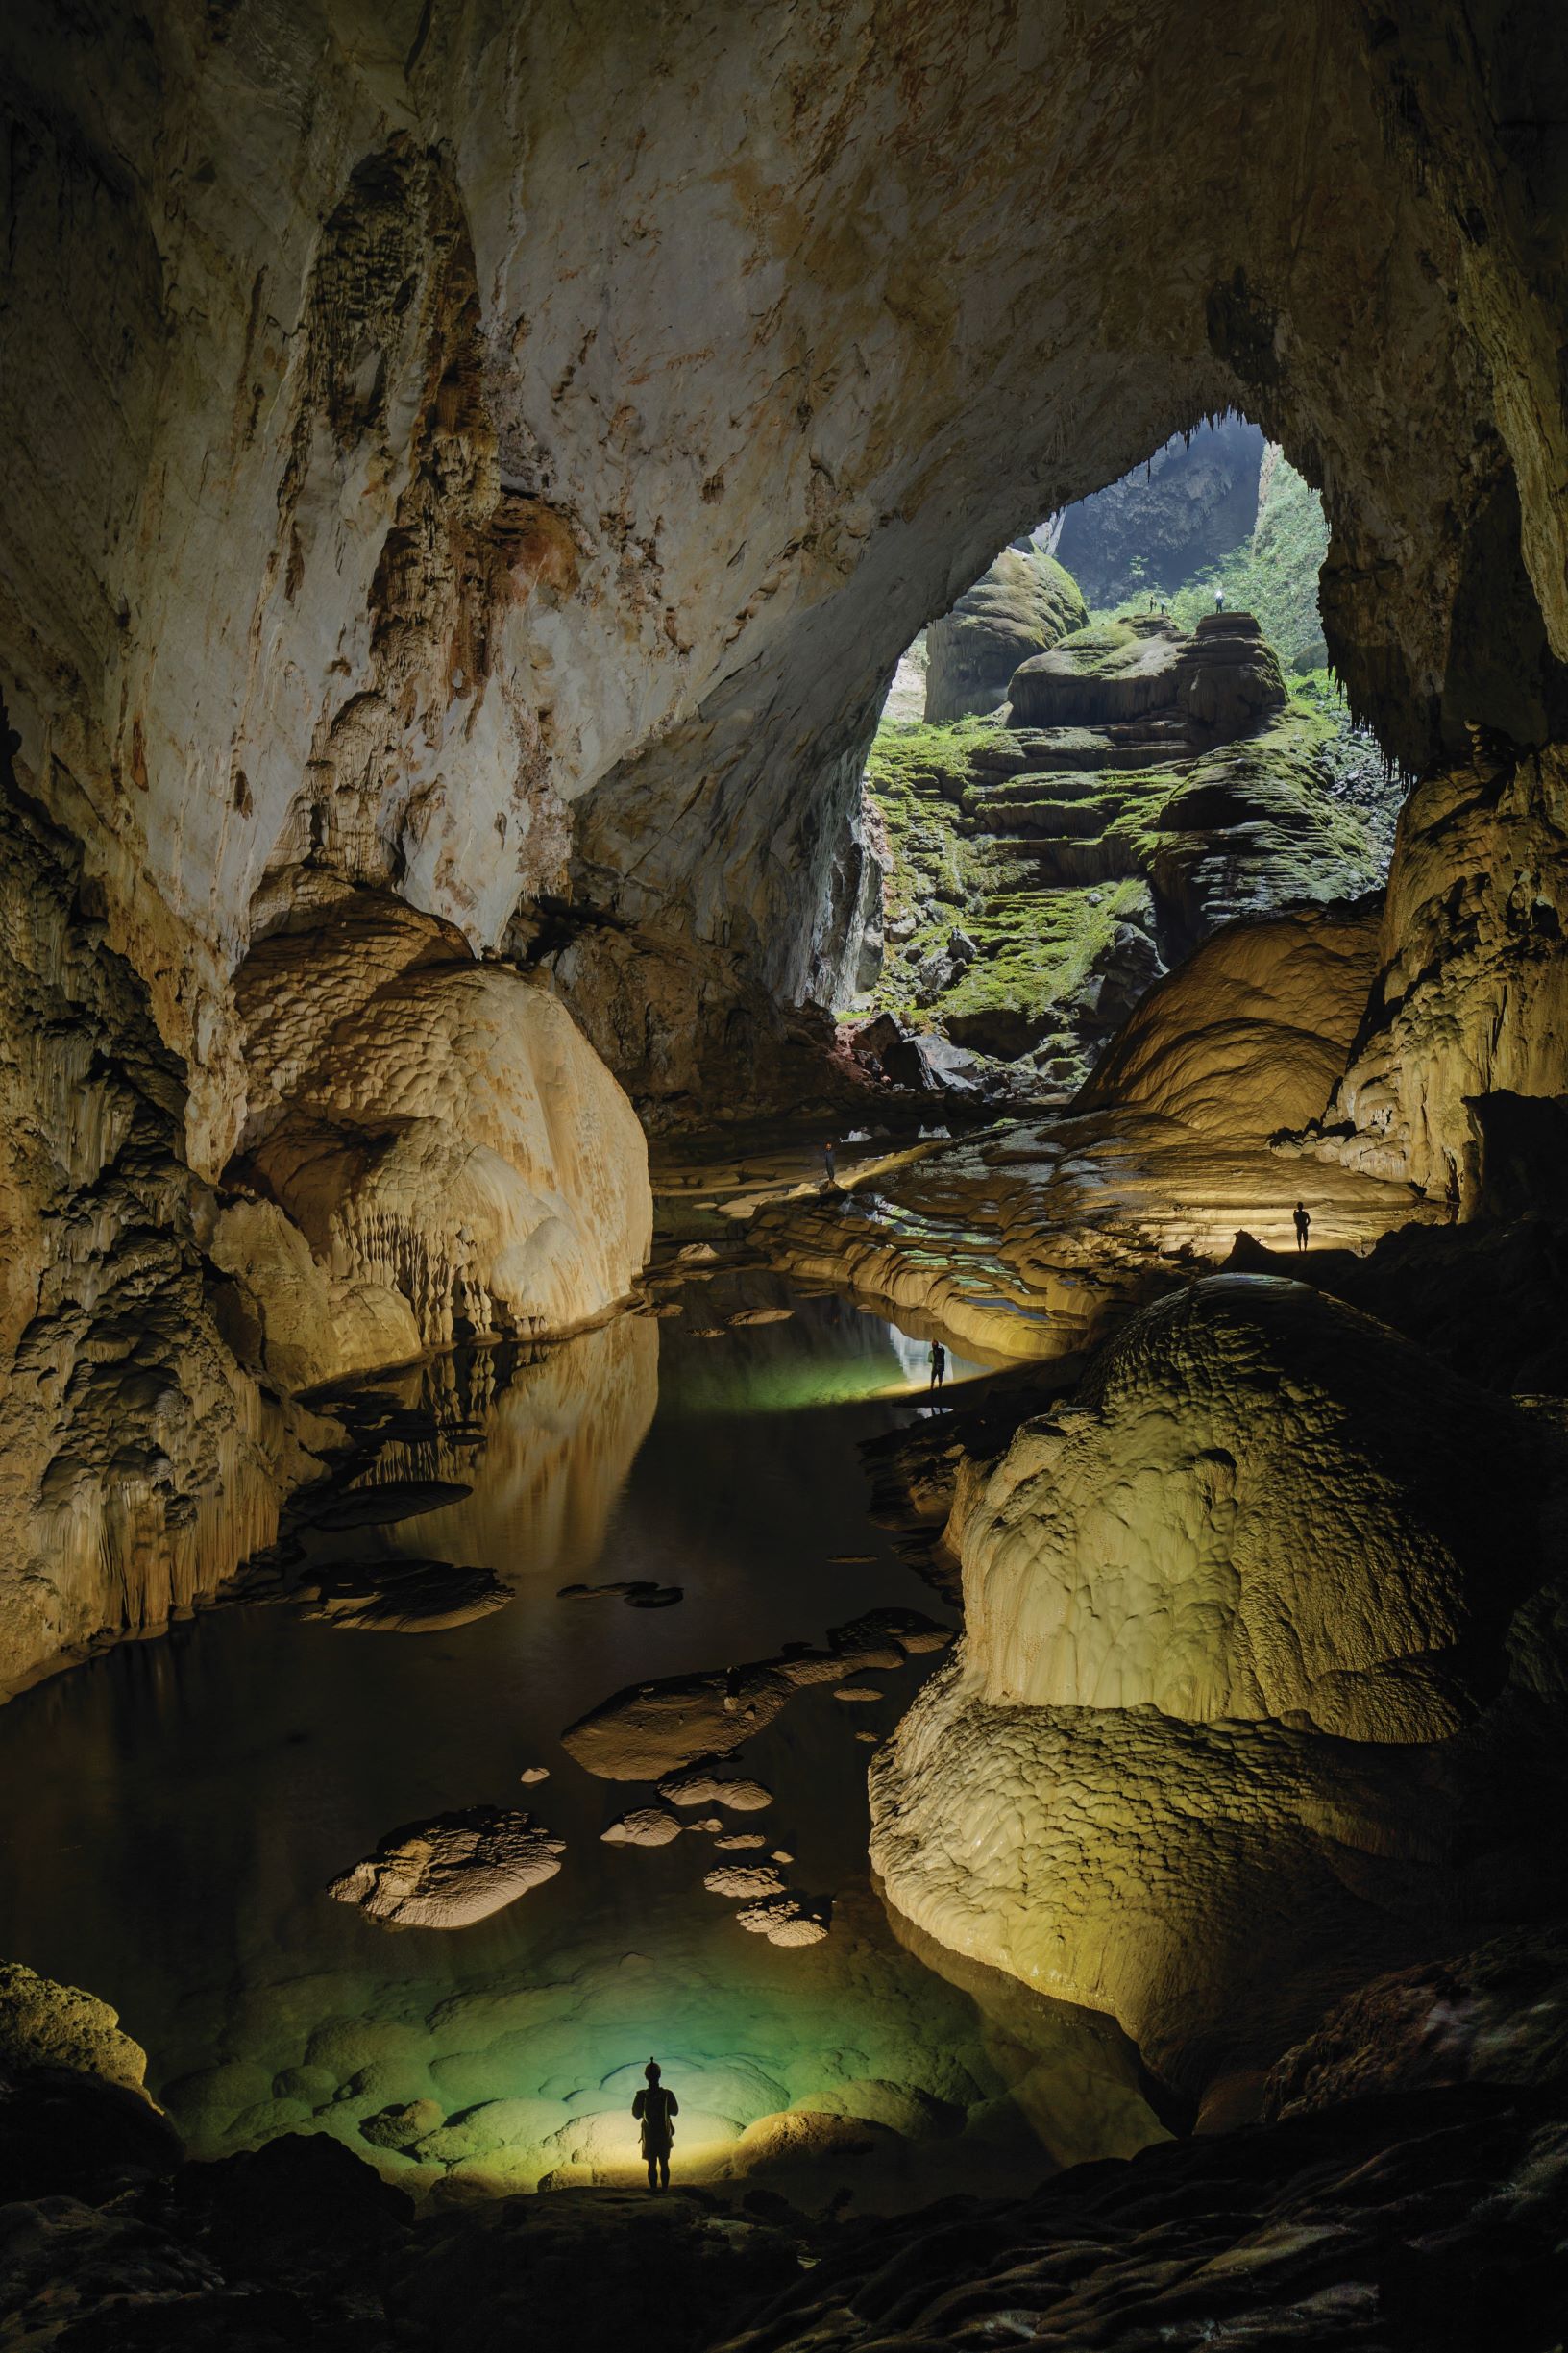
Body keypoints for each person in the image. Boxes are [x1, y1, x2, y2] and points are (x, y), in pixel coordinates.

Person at [632, 2058, 678, 2192]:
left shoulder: (641, 2095)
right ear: (659, 2075)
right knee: (664, 2163)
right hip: (664, 2134)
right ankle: (664, 2190)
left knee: (651, 2164)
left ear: (646, 2076)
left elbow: (636, 2114)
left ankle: (653, 2191)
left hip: (649, 2135)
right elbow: (675, 2112)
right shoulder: (667, 2094)